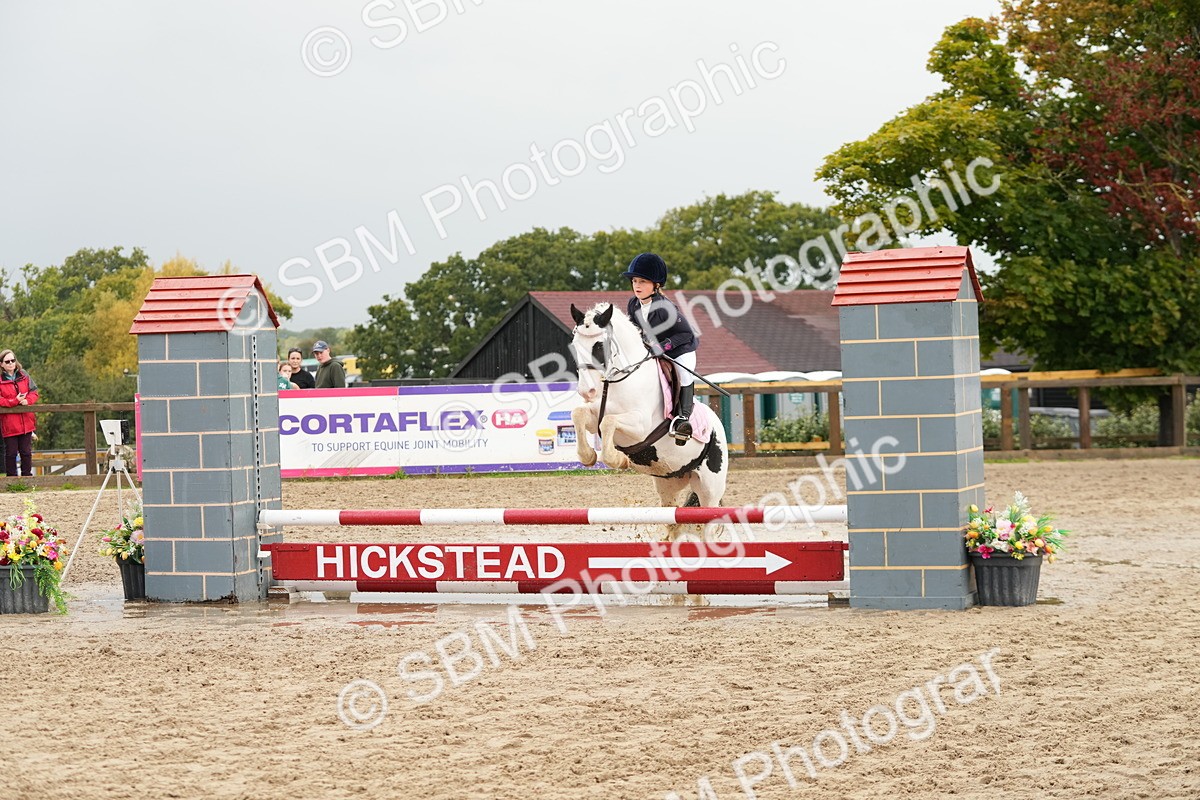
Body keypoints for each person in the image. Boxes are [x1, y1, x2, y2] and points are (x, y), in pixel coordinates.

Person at [622, 252, 698, 444]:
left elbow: (686, 334)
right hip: (653, 350)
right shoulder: (633, 304)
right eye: (635, 281)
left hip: (681, 350)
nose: (637, 286)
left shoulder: (665, 307)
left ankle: (683, 420)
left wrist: (663, 347)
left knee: (684, 374)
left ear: (656, 285)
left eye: (643, 282)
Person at [0, 349, 39, 476]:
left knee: (26, 452)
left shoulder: (24, 375)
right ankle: (12, 480)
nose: (11, 363)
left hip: (26, 421)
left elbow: (34, 392)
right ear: (1, 364)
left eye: (13, 360)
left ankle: (27, 478)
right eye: (7, 361)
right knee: (11, 453)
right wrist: (14, 401)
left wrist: (28, 400)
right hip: (9, 423)